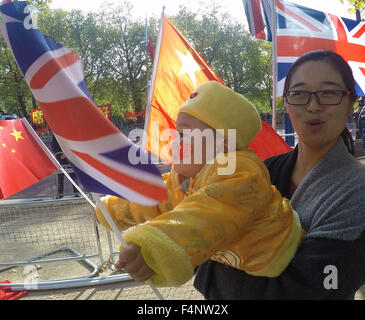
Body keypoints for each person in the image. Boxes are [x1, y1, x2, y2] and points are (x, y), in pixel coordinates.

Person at [94, 81, 304, 287]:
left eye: (184, 135)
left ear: (223, 146)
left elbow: (205, 213)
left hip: (281, 259)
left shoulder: (241, 173)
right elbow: (156, 197)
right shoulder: (187, 178)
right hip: (243, 267)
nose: (173, 142)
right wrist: (109, 208)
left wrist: (151, 249)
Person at [194, 50, 365, 300]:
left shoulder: (357, 193)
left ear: (352, 103)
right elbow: (201, 238)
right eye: (299, 94)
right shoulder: (261, 171)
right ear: (285, 103)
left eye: (329, 93)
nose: (313, 105)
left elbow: (303, 292)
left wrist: (213, 266)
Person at [51, 133, 79, 198]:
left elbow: (72, 143)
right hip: (61, 158)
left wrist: (66, 153)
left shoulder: (66, 131)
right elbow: (54, 146)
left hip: (69, 157)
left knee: (72, 175)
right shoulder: (55, 133)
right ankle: (60, 194)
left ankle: (77, 193)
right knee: (60, 176)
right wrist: (59, 155)